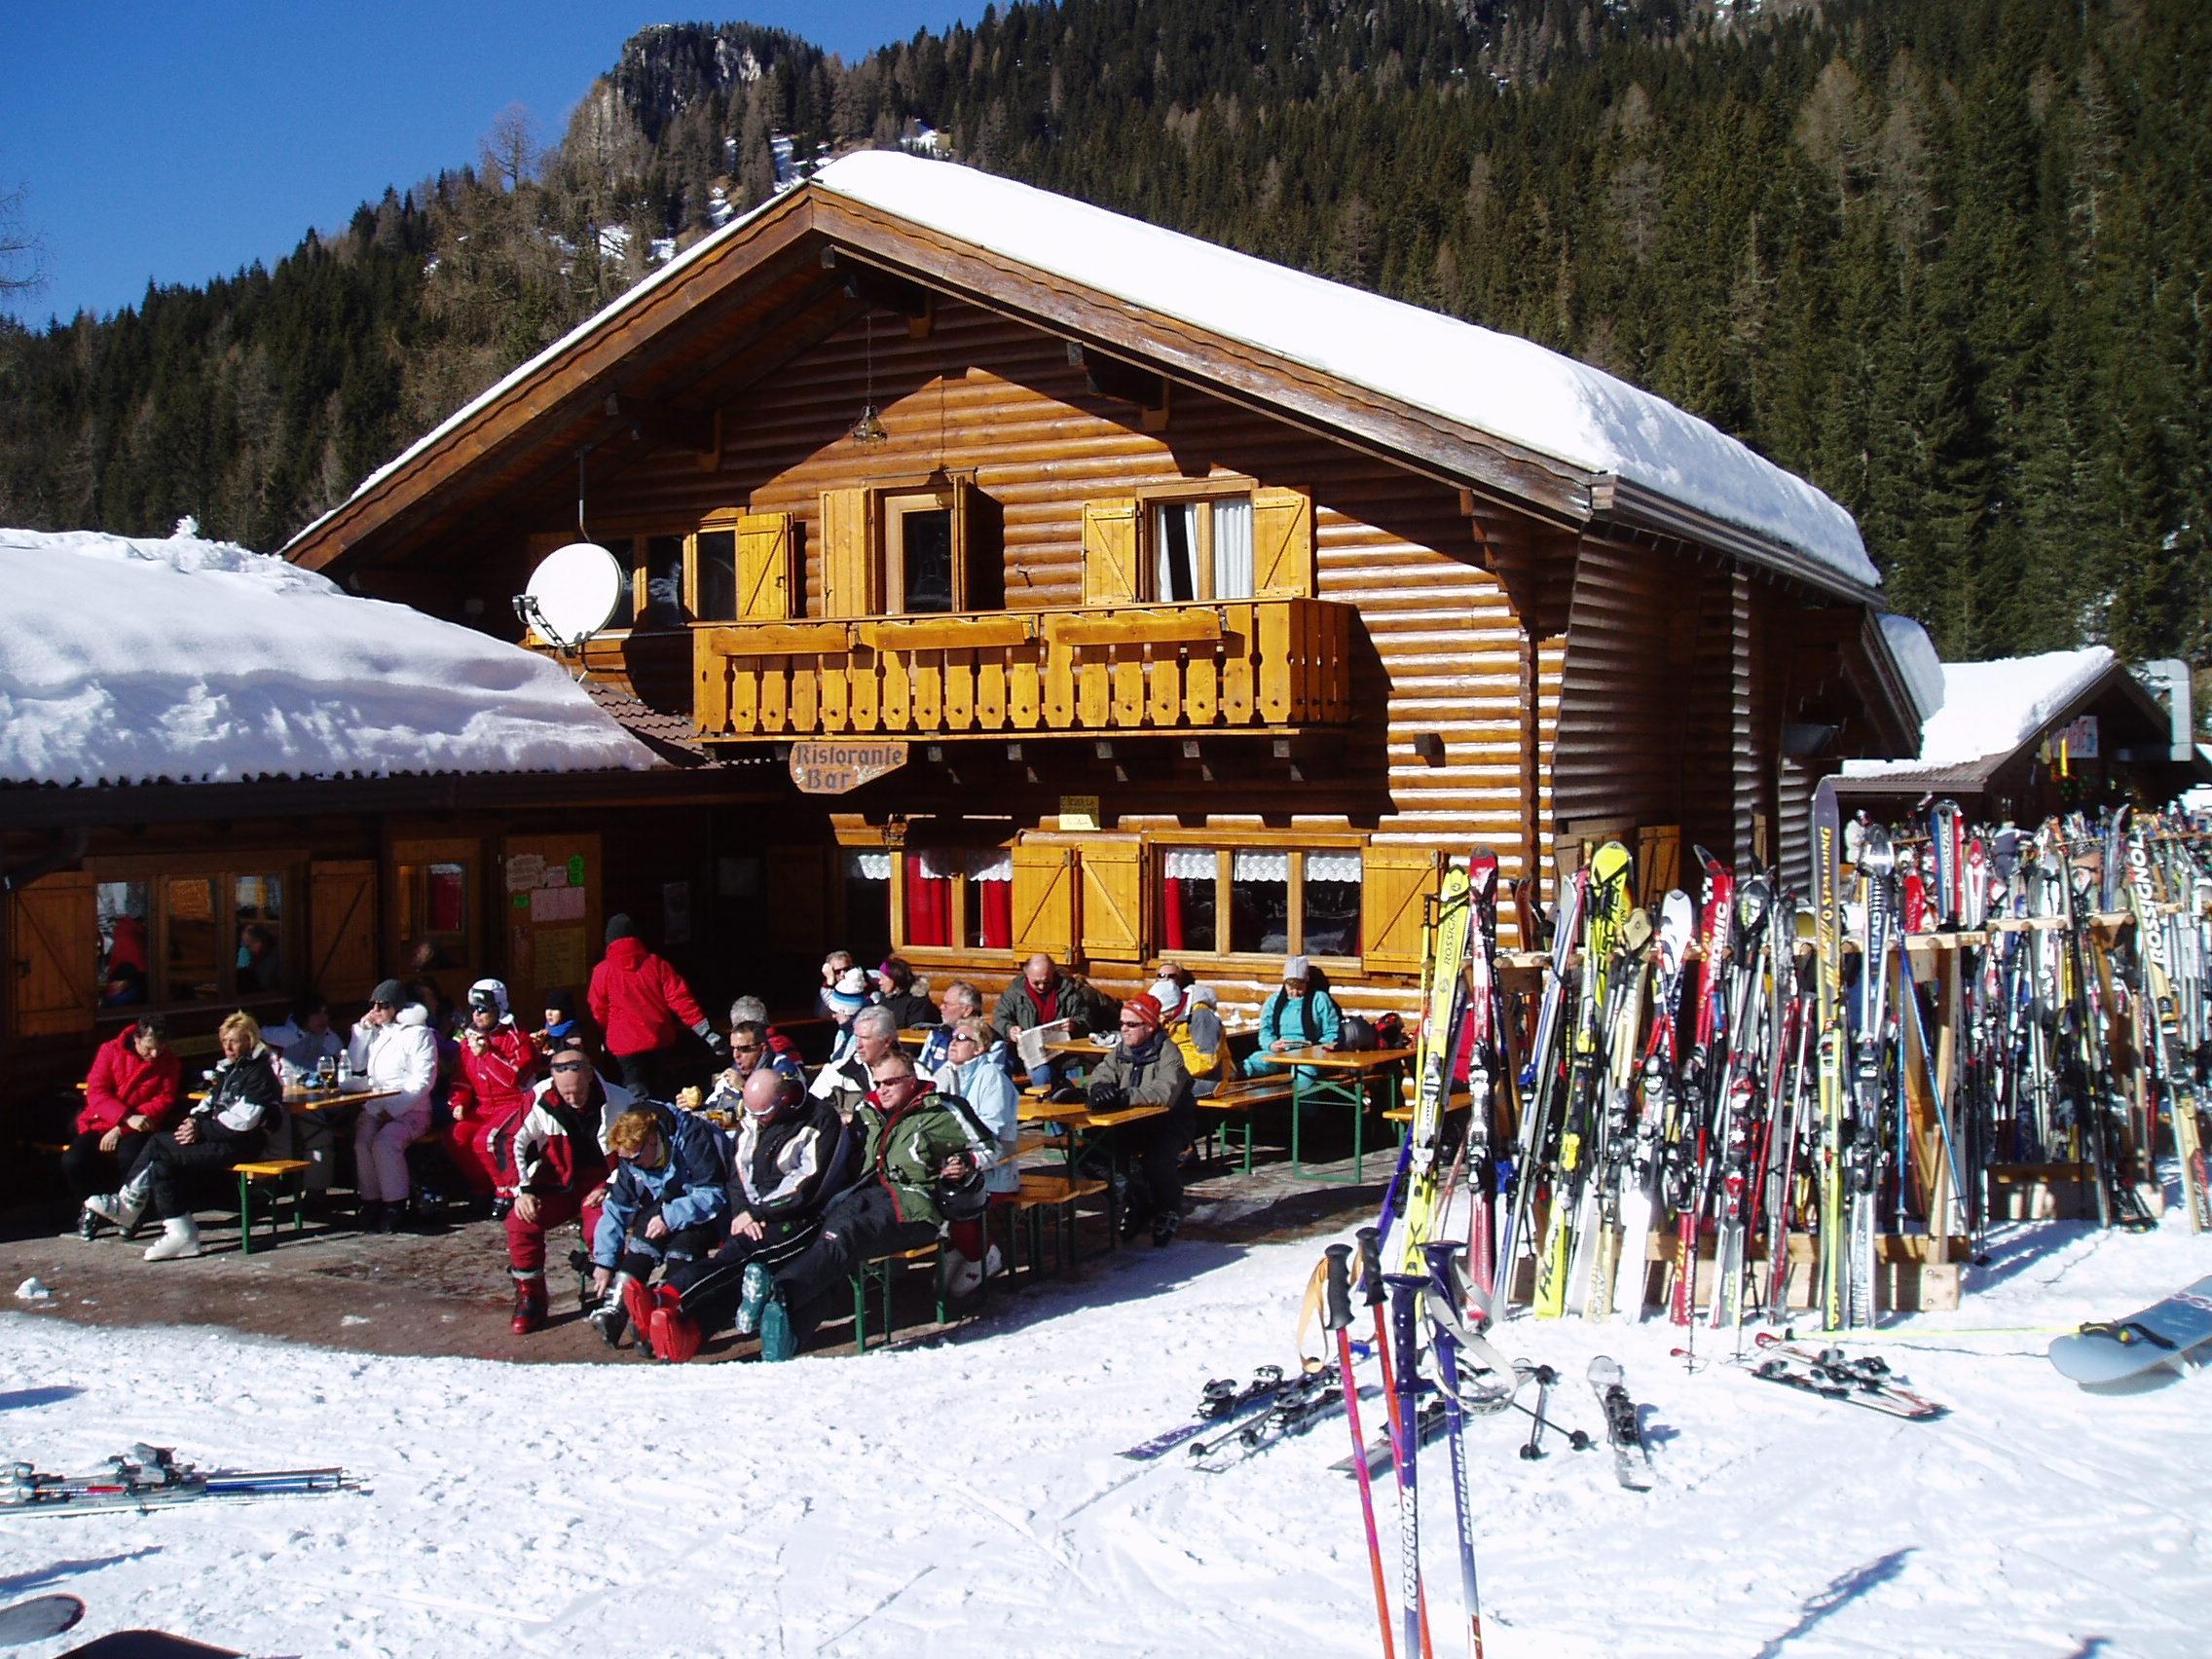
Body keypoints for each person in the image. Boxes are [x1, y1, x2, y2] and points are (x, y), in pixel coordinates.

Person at [738, 1051, 998, 1361]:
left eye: (891, 1082)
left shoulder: (942, 1110)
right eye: (878, 1082)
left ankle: (781, 1291)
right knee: (829, 1241)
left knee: (845, 1236)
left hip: (914, 1206)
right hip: (863, 1195)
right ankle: (784, 1331)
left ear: (911, 1080)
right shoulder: (868, 1110)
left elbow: (990, 1147)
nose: (883, 1089)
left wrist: (964, 1163)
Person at [637, 1067, 853, 1362]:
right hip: (755, 1213)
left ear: (783, 1100)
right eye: (753, 1113)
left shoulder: (820, 1120)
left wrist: (757, 1211)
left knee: (740, 1257)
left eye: (763, 1114)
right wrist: (742, 1211)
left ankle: (674, 1294)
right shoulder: (754, 1117)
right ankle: (691, 1329)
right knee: (740, 1264)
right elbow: (738, 1169)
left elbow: (807, 1186)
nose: (757, 1120)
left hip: (801, 1218)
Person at [85, 1012, 280, 1261]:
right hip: (221, 1138)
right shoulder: (232, 1069)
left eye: (234, 1041)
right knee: (163, 1158)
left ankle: (129, 1204)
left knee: (159, 1145)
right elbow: (210, 1103)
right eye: (224, 1041)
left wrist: (200, 1130)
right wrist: (194, 1120)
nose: (228, 1047)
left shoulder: (259, 1073)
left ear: (250, 1040)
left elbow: (244, 1120)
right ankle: (180, 1233)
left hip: (242, 1143)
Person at [493, 1047, 626, 1334]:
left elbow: (636, 1152)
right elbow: (508, 1140)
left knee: (601, 1229)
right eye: (566, 1094)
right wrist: (522, 1190)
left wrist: (612, 1184)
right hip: (557, 1180)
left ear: (590, 1076)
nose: (573, 1099)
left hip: (601, 1180)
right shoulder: (541, 1098)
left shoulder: (619, 1100)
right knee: (520, 1222)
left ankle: (613, 1297)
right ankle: (532, 1297)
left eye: (577, 1092)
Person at [582, 1102, 732, 1346]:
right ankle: (617, 1307)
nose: (633, 1166)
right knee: (644, 1236)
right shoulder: (634, 1159)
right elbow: (618, 1205)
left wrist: (670, 1217)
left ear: (653, 1139)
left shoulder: (692, 1137)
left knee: (682, 1247)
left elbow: (713, 1194)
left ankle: (665, 1312)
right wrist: (604, 1260)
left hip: (709, 1211)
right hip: (667, 1204)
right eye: (627, 1161)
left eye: (636, 1159)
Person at [1085, 993, 1197, 1245]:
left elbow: (1164, 1093)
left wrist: (1124, 1097)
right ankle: (1135, 1198)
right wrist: (1100, 1089)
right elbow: (1102, 1073)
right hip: (1131, 1123)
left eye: (1131, 1024)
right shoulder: (1122, 1050)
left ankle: (1168, 1208)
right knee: (1091, 1153)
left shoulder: (1169, 1054)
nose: (1124, 1029)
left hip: (1169, 1124)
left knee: (1156, 1162)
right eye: (1122, 1023)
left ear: (1149, 1026)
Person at [66, 1017, 183, 1237]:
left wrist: (123, 1128)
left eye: (161, 1048)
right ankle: (90, 1206)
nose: (155, 1055)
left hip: (139, 1126)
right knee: (74, 1160)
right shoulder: (110, 1050)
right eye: (149, 1049)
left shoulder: (170, 1062)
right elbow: (97, 1092)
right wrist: (125, 1117)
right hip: (104, 1120)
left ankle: (131, 1212)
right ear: (136, 1039)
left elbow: (163, 1100)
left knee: (130, 1158)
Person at [588, 914, 725, 1100]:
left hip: (625, 1044)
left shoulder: (602, 971)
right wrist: (706, 1032)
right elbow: (681, 999)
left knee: (635, 1097)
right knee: (663, 1093)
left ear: (609, 940)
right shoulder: (657, 964)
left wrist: (608, 1031)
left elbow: (598, 1009)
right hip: (659, 1039)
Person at [347, 977, 439, 1232]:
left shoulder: (418, 1034)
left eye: (383, 1005)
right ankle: (371, 1200)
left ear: (396, 1008)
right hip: (376, 1106)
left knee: (385, 1143)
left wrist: (395, 1108)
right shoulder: (377, 1034)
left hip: (412, 1109)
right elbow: (356, 1065)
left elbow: (423, 1080)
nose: (376, 1011)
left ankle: (394, 1204)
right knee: (362, 1142)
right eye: (373, 1005)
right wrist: (362, 1032)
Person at [447, 978, 540, 1214]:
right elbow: (462, 1078)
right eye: (473, 1009)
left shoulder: (516, 1038)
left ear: (498, 1008)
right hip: (485, 1105)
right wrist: (459, 1101)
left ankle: (507, 1190)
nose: (477, 1015)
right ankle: (483, 1186)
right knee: (457, 1136)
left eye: (483, 1009)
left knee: (487, 1140)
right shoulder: (468, 1042)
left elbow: (514, 1078)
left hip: (515, 1103)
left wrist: (487, 1055)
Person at [940, 1015, 1017, 1295]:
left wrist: (965, 1156)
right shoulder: (946, 1073)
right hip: (951, 1163)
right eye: (953, 1037)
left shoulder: (992, 1078)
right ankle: (957, 1248)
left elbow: (992, 1131)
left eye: (963, 1039)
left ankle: (983, 1255)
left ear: (980, 1048)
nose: (954, 1043)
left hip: (993, 1170)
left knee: (959, 1204)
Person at [992, 954, 1118, 1089]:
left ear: (1053, 974)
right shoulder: (1014, 994)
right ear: (1027, 975)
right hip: (1033, 1055)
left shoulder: (1070, 992)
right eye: (1036, 983)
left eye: (1046, 982)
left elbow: (1085, 1019)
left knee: (1079, 1081)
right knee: (1043, 1076)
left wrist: (1075, 1025)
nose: (1041, 986)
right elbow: (1000, 1018)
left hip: (1066, 1054)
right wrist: (1010, 1029)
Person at [1243, 956, 1343, 1088]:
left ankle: (1303, 1107)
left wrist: (1317, 1046)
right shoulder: (1275, 1001)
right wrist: (1271, 1045)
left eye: (1300, 987)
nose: (1295, 992)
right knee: (1254, 1063)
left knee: (1303, 1072)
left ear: (1307, 983)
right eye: (1291, 987)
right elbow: (1266, 1030)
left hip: (1310, 1054)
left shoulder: (1319, 999)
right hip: (1281, 1053)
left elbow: (1332, 1031)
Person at [810, 1003, 901, 1120]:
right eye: (856, 1037)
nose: (858, 1045)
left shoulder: (914, 1073)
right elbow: (812, 1110)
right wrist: (841, 1116)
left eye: (865, 1038)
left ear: (887, 1041)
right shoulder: (836, 1073)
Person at [702, 1017, 803, 1115]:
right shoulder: (735, 1071)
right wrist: (696, 1107)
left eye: (743, 1049)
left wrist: (743, 1087)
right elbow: (711, 1106)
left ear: (763, 1048)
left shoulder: (781, 1069)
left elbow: (779, 1111)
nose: (736, 1055)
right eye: (734, 1048)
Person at [1153, 971, 1229, 1097]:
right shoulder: (1170, 1020)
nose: (1161, 1018)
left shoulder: (1201, 1017)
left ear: (1173, 1008)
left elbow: (1207, 1061)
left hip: (1208, 1080)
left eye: (1163, 1013)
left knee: (1161, 1095)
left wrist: (1172, 1068)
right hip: (1179, 1075)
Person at [261, 995, 344, 1079]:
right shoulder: (285, 1035)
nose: (323, 1018)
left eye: (325, 1013)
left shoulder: (330, 1038)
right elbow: (256, 1034)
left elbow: (344, 1061)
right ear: (305, 1016)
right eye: (316, 1013)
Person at [916, 979, 984, 1082]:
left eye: (947, 1004)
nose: (941, 1007)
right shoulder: (937, 1034)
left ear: (967, 1010)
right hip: (933, 1095)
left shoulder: (986, 1039)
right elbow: (920, 1070)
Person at [728, 995, 805, 1071]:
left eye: (740, 1028)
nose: (735, 1055)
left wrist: (741, 1083)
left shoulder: (773, 1047)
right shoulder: (781, 1040)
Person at [873, 957, 939, 1029]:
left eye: (883, 978)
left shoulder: (918, 1002)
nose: (880, 982)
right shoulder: (885, 997)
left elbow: (915, 1031)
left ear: (895, 978)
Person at [817, 949, 857, 1017]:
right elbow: (823, 1014)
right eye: (837, 971)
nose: (843, 974)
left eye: (846, 969)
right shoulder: (827, 988)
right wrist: (829, 982)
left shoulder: (865, 981)